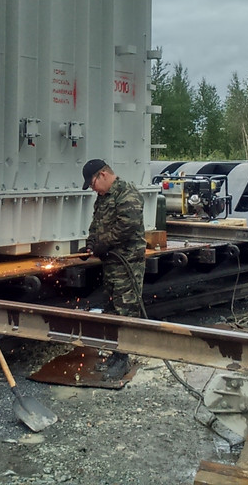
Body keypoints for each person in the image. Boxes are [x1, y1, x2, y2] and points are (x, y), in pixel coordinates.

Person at [82, 158, 147, 374]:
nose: (93, 189)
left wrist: (104, 243)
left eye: (92, 183)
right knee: (111, 308)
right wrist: (91, 244)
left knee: (126, 309)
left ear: (102, 175)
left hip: (127, 262)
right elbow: (97, 223)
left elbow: (127, 226)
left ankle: (123, 358)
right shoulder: (103, 197)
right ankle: (115, 353)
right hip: (111, 261)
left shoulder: (127, 193)